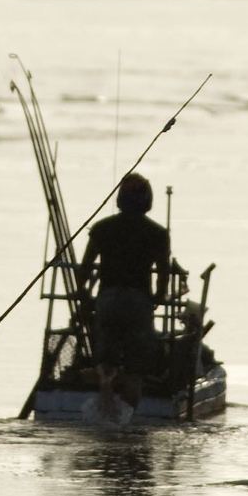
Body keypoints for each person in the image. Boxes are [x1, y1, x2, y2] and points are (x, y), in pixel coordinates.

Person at [77, 173, 173, 419]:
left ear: (120, 200)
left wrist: (84, 297)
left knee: (106, 360)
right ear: (147, 202)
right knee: (135, 368)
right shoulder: (157, 234)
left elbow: (85, 268)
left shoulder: (101, 228)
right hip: (138, 302)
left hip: (107, 300)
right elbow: (163, 272)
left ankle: (105, 391)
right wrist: (158, 299)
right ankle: (124, 419)